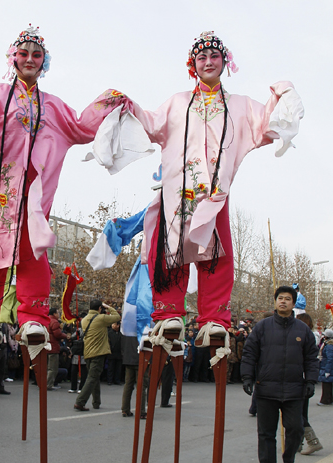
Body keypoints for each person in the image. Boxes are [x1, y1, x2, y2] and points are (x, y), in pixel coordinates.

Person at [0, 25, 131, 362]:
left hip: (35, 195)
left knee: (35, 251)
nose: (30, 59)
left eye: (37, 55)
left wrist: (108, 101)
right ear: (13, 58)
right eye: (24, 54)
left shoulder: (53, 105)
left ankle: (33, 315)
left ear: (44, 62)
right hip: (1, 193)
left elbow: (80, 127)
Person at [120, 31, 303, 347]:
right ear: (193, 65)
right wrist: (127, 104)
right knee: (170, 250)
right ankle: (169, 313)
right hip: (179, 190)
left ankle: (215, 318)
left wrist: (282, 91)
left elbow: (267, 122)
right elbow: (150, 123)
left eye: (213, 56)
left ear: (224, 62)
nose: (208, 62)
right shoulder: (179, 102)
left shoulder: (239, 105)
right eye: (201, 58)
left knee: (217, 253)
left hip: (216, 192)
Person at [241, 286, 319, 463]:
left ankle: (289, 459)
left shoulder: (303, 330)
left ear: (293, 304)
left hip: (294, 391)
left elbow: (311, 358)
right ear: (275, 302)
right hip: (266, 388)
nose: (283, 301)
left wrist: (310, 380)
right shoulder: (262, 327)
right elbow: (250, 353)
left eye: (287, 299)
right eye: (280, 298)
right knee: (266, 432)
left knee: (295, 428)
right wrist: (247, 377)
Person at [74, 300, 120, 411]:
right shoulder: (101, 318)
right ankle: (80, 401)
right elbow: (117, 317)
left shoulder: (84, 320)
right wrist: (108, 307)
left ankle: (96, 402)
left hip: (88, 352)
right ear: (99, 308)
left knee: (94, 377)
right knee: (92, 377)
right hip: (98, 352)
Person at [296, 313, 323, 454]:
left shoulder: (307, 337)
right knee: (300, 413)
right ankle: (298, 442)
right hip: (304, 378)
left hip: (301, 378)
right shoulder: (311, 335)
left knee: (297, 414)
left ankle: (312, 441)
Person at [47, 307, 66, 391]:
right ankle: (49, 384)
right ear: (54, 313)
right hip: (53, 347)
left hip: (46, 346)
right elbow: (57, 334)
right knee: (52, 368)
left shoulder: (46, 320)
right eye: (58, 313)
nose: (59, 314)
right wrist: (65, 335)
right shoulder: (54, 322)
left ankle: (43, 383)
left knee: (46, 367)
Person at [317, 328, 333, 406]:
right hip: (326, 366)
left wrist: (327, 370)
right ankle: (328, 399)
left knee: (326, 385)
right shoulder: (327, 344)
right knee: (327, 384)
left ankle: (325, 400)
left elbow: (330, 358)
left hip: (326, 367)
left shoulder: (329, 345)